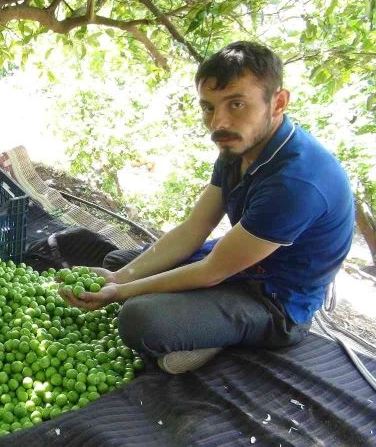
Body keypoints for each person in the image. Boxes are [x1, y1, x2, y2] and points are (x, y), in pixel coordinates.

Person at [60, 41, 354, 374]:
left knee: (138, 318)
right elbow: (193, 229)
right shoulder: (238, 146)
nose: (219, 122)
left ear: (278, 102)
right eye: (209, 108)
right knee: (118, 261)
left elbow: (212, 270)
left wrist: (119, 293)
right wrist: (119, 278)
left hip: (275, 300)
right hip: (238, 264)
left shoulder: (297, 182)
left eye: (237, 104)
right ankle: (202, 322)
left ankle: (216, 335)